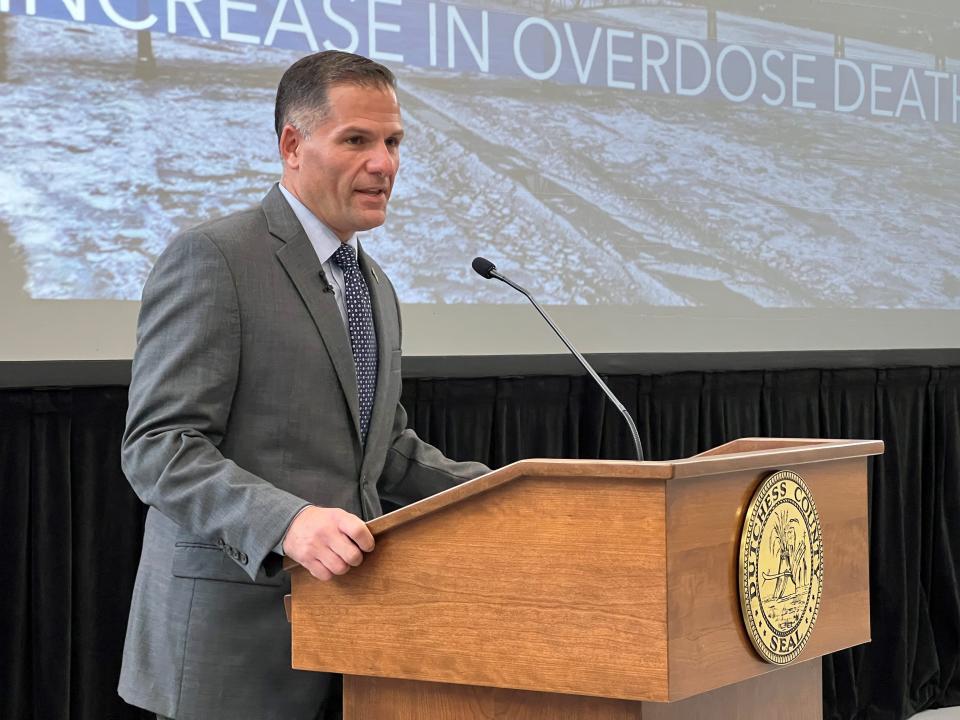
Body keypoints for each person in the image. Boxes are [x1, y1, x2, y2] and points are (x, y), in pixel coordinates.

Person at [118, 50, 490, 720]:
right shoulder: (216, 260)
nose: (385, 164)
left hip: (353, 648)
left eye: (393, 142)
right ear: (293, 144)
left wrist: (517, 492)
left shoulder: (371, 283)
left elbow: (384, 454)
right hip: (230, 653)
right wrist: (287, 522)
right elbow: (160, 447)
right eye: (357, 140)